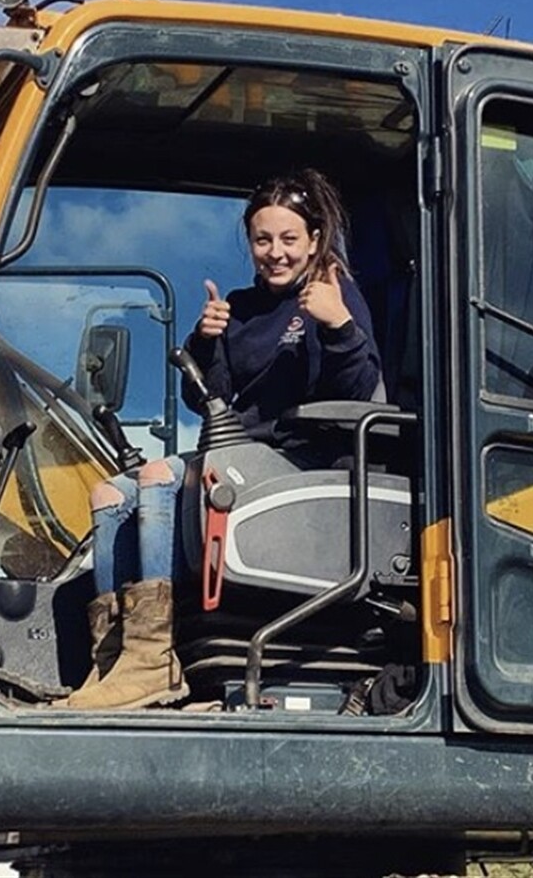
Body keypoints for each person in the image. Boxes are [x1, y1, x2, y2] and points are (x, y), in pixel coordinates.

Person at [66, 169, 383, 710]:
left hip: (305, 460)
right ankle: (113, 661)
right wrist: (207, 342)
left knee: (158, 476)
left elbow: (360, 389)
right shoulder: (239, 308)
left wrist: (338, 328)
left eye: (288, 239)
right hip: (244, 454)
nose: (275, 252)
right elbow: (207, 399)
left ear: (313, 240)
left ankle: (154, 662)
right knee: (110, 495)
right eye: (263, 240)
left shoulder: (334, 294)